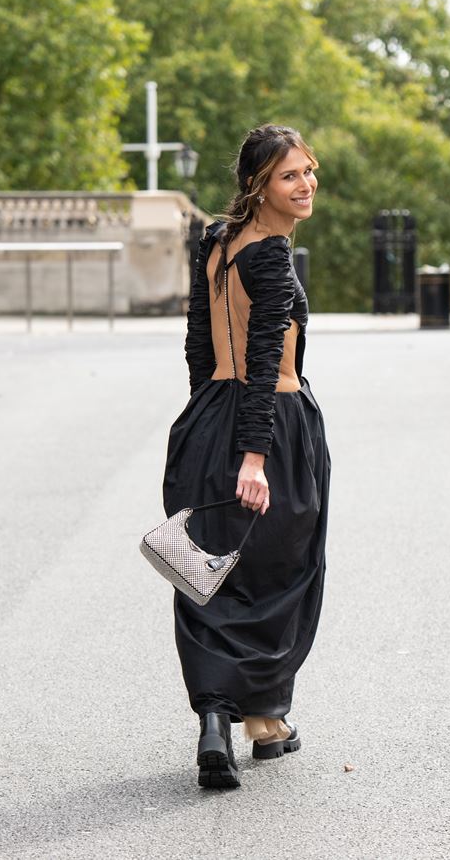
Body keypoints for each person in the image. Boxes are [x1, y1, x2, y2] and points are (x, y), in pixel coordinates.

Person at [162, 124, 331, 789]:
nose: (306, 184)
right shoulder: (270, 254)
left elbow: (199, 349)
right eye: (290, 175)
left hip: (209, 415)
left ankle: (221, 717)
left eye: (310, 171)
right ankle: (263, 717)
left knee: (209, 569)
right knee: (282, 571)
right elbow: (265, 362)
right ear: (259, 186)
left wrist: (203, 424)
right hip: (273, 426)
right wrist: (254, 456)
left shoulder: (215, 243)